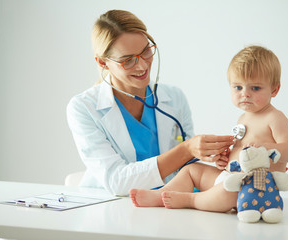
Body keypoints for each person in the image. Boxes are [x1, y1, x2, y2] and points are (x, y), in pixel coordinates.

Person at [66, 9, 234, 196]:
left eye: (146, 51)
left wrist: (212, 155)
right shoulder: (83, 108)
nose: (142, 66)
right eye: (127, 60)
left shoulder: (174, 97)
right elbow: (116, 181)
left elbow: (187, 167)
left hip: (167, 200)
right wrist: (187, 149)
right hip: (113, 205)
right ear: (102, 63)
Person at [129, 45, 288, 212]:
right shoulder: (243, 117)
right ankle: (161, 194)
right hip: (230, 177)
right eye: (238, 87)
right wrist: (224, 160)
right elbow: (239, 154)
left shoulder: (274, 118)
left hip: (253, 188)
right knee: (191, 170)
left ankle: (190, 199)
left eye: (255, 88)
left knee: (230, 190)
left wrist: (267, 149)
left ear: (274, 89)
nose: (245, 93)